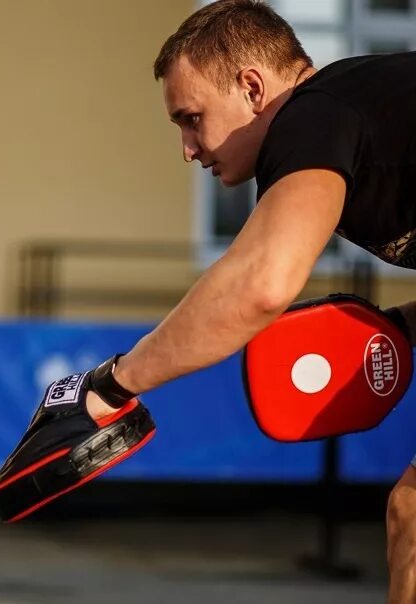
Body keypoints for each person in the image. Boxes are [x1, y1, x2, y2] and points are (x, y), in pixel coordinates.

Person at [78, 0, 415, 600]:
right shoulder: (363, 111)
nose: (187, 147)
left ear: (253, 87)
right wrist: (398, 328)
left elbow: (261, 284)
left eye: (191, 118)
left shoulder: (313, 115)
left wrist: (115, 384)